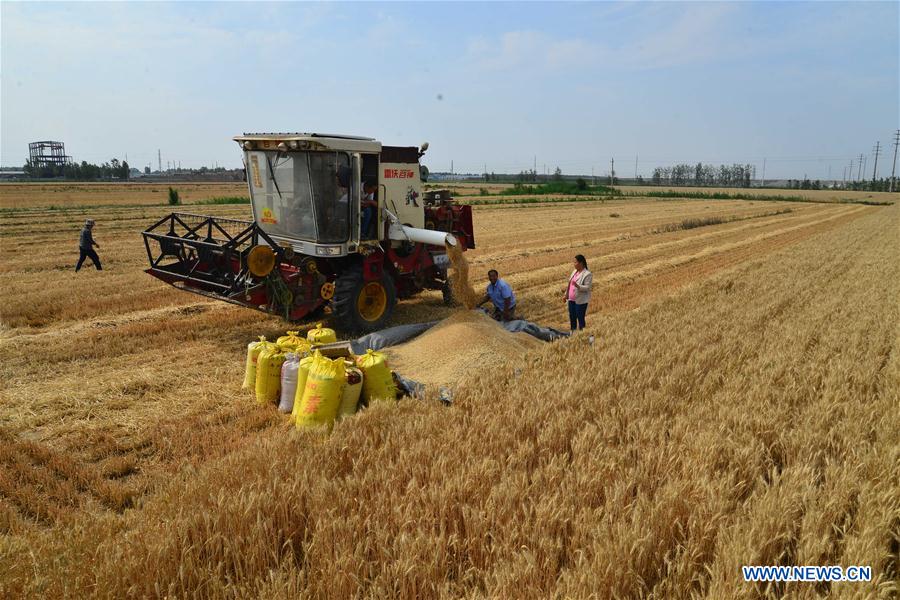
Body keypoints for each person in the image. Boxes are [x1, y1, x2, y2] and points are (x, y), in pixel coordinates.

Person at [564, 254, 592, 331]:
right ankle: (573, 332)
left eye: (575, 262)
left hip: (580, 301)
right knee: (572, 317)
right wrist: (566, 295)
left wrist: (578, 286)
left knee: (580, 318)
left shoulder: (587, 274)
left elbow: (587, 288)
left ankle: (582, 333)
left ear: (581, 263)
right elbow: (569, 285)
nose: (574, 264)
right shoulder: (574, 272)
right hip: (571, 300)